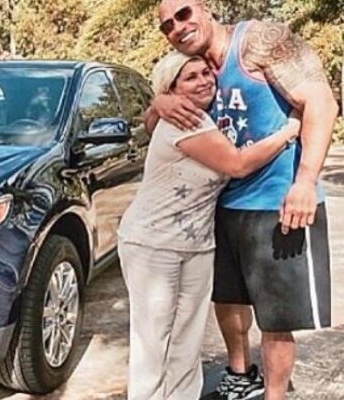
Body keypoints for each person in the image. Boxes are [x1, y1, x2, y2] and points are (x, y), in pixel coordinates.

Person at [144, 1, 339, 399]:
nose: (177, 27)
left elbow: (322, 102)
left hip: (277, 203)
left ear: (206, 9)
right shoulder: (192, 69)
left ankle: (275, 394)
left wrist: (305, 181)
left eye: (184, 14)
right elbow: (151, 126)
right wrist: (158, 104)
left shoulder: (259, 41)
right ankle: (239, 374)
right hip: (223, 206)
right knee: (229, 300)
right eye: (167, 26)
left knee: (276, 318)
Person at [117, 50, 300, 400]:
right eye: (190, 77)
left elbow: (150, 121)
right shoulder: (183, 121)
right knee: (153, 341)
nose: (203, 81)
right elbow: (237, 164)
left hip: (197, 244)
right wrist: (289, 130)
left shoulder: (204, 116)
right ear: (172, 88)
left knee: (187, 339)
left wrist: (158, 104)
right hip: (152, 243)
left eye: (206, 73)